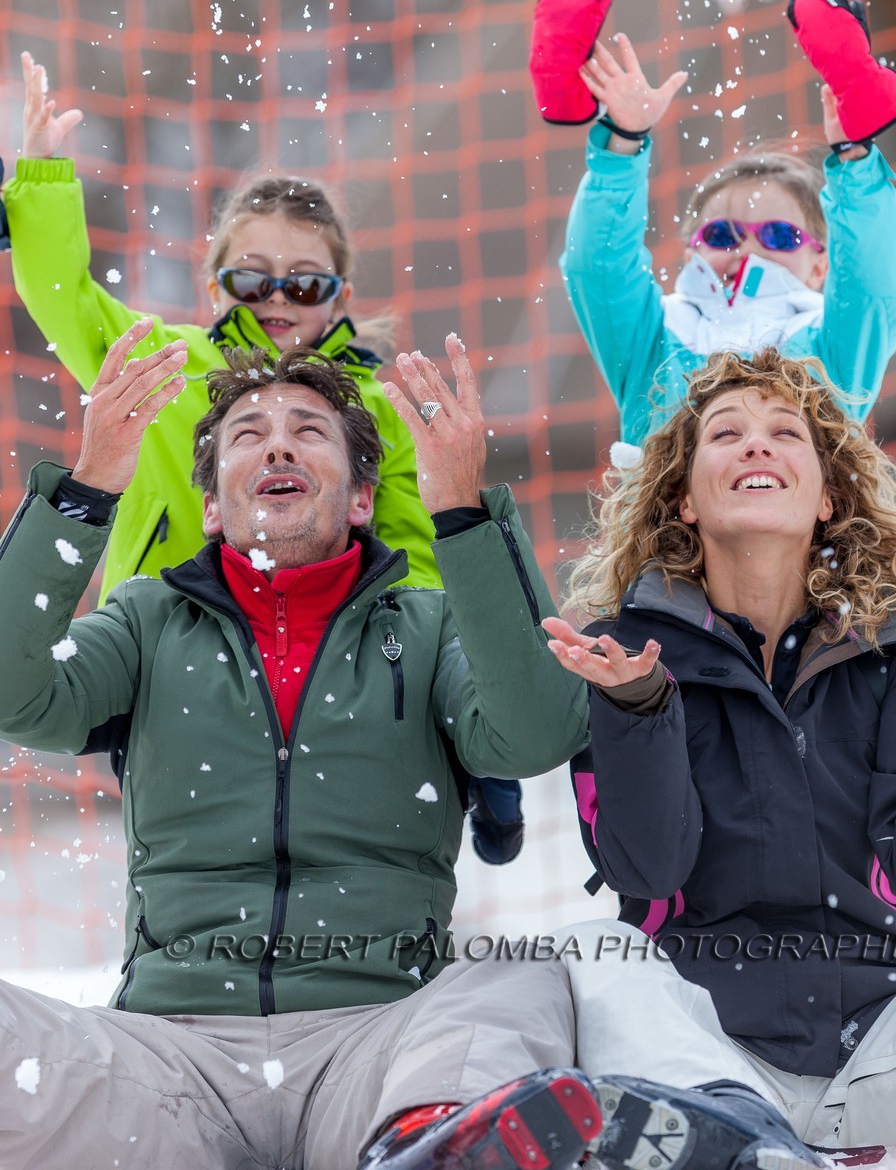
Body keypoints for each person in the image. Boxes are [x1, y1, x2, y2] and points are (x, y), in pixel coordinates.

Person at [0, 320, 602, 1170]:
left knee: (518, 976)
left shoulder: (427, 627)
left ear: (360, 497)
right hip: (168, 1061)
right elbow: (12, 695)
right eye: (249, 434)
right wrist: (86, 490)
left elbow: (536, 730)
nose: (277, 445)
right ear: (212, 506)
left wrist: (462, 511)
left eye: (308, 432)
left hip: (379, 1046)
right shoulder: (145, 619)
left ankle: (425, 1145)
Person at [543, 348, 896, 1169]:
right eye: (726, 433)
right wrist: (638, 709)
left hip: (889, 1044)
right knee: (584, 952)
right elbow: (648, 868)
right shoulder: (623, 654)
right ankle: (734, 1146)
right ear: (681, 497)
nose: (756, 445)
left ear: (827, 498)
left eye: (784, 432)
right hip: (710, 1060)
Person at [4, 51, 523, 866]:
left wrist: (436, 663)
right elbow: (58, 291)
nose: (277, 299)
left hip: (330, 654)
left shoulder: (373, 408)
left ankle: (459, 783)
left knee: (332, 822)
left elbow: (412, 551)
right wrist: (39, 181)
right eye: (253, 278)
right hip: (177, 637)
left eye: (304, 284)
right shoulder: (161, 363)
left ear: (339, 297)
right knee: (204, 826)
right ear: (215, 287)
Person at [559, 19, 896, 450]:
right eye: (722, 234)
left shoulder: (833, 345)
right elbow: (597, 267)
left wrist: (855, 158)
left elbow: (873, 284)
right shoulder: (656, 333)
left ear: (821, 265)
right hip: (667, 520)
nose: (747, 248)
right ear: (692, 250)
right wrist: (623, 139)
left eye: (780, 237)